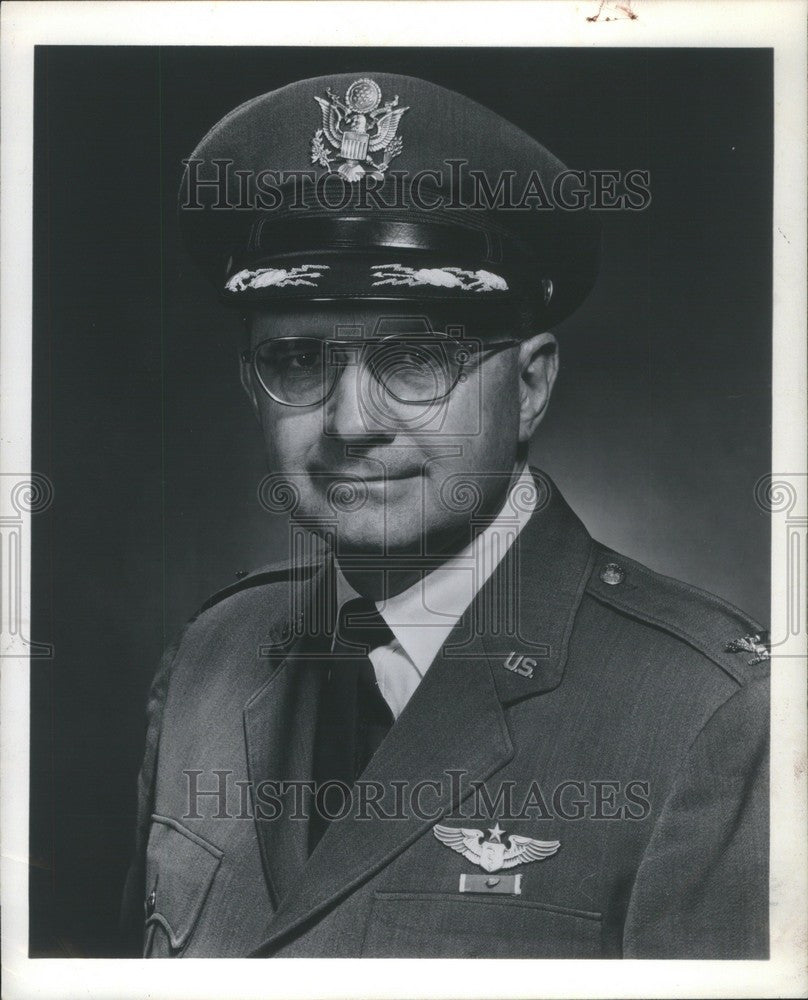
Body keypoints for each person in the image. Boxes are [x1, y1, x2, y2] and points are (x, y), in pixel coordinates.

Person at [121, 72, 769, 959]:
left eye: (417, 359)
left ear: (530, 385)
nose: (352, 423)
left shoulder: (712, 715)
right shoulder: (213, 655)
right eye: (300, 360)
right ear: (253, 386)